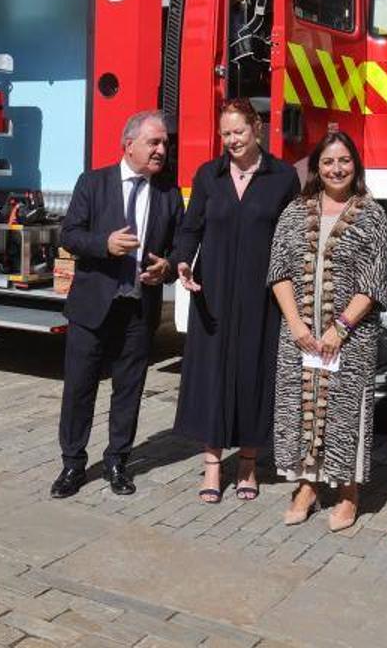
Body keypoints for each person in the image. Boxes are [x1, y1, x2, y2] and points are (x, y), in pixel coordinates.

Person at [51, 110, 184, 499]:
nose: (162, 150)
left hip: (138, 310)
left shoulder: (168, 193)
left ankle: (117, 461)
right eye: (154, 142)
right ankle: (73, 465)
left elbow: (181, 246)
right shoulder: (93, 183)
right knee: (79, 389)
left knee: (129, 389)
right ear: (129, 145)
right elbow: (69, 234)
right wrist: (104, 245)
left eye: (165, 143)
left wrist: (169, 268)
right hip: (92, 307)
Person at [173, 99, 300, 503]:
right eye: (225, 134)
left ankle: (247, 464)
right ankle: (212, 466)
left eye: (238, 132)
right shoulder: (208, 175)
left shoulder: (282, 177)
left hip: (262, 295)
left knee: (254, 375)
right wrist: (182, 263)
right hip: (213, 294)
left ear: (257, 128)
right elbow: (189, 229)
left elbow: (292, 239)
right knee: (211, 377)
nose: (231, 140)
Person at [267, 131, 387, 532]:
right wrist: (297, 325)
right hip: (300, 336)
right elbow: (279, 272)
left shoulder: (371, 214)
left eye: (344, 161)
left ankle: (348, 492)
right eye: (328, 162)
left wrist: (340, 327)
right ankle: (307, 486)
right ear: (316, 168)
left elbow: (375, 282)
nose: (336, 169)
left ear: (355, 165)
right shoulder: (294, 211)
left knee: (345, 413)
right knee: (300, 408)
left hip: (350, 337)